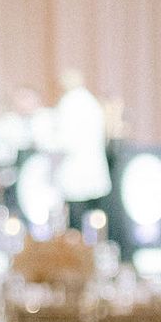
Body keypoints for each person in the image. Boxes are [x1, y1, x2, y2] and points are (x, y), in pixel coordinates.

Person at [49, 68, 111, 228]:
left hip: (74, 165)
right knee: (94, 214)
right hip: (92, 163)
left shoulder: (69, 102)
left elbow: (65, 139)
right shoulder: (91, 102)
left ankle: (77, 246)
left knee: (76, 213)